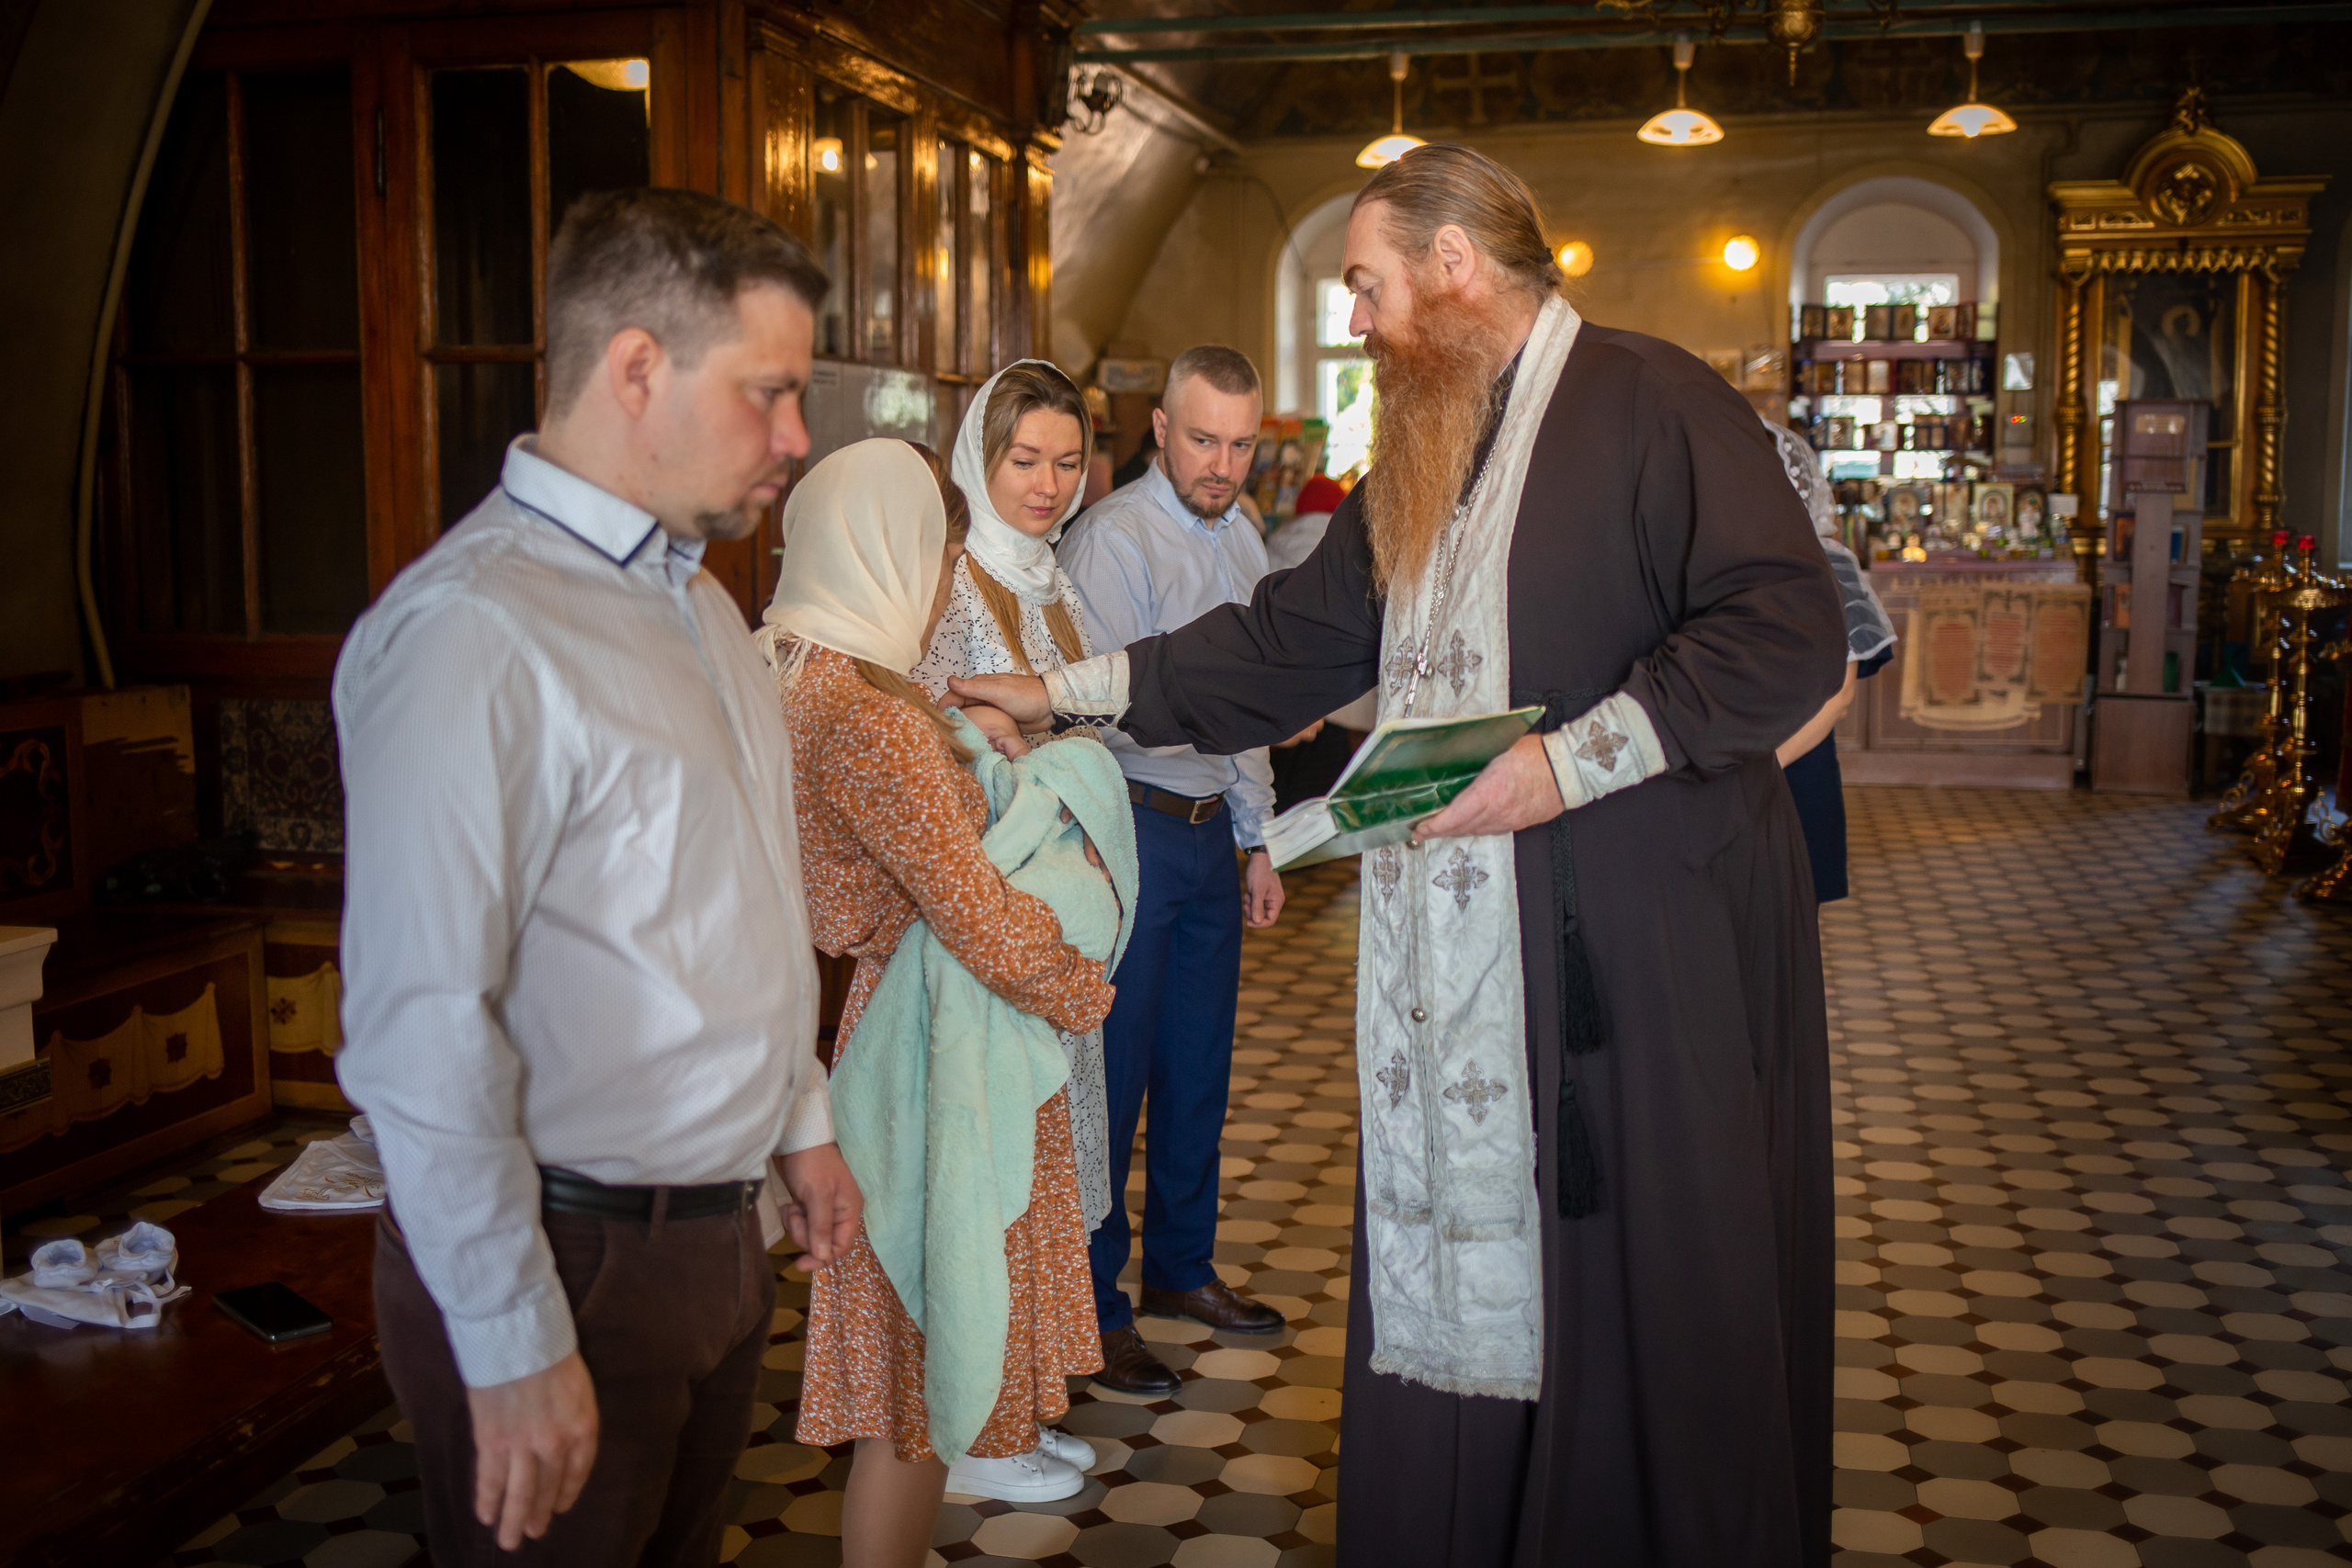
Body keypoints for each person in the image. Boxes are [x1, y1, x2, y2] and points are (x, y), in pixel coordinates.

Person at [954, 144, 1847, 1566]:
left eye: (1367, 285)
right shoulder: (1429, 446)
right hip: (1463, 939)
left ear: (1453, 262)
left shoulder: (1652, 400)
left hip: (1638, 943)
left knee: (1627, 1264)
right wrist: (1060, 693)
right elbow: (1284, 641)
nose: (1357, 319)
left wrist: (1562, 765)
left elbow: (1785, 631)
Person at [334, 187, 861, 1567]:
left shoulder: (700, 603)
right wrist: (510, 1337)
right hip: (564, 1255)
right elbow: (419, 1023)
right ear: (637, 368)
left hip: (716, 1236)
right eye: (769, 392)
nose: (795, 438)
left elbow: (748, 892)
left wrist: (800, 1119)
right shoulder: (474, 629)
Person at [763, 438, 1115, 1558]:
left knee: (915, 1385)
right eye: (931, 555)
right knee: (922, 1380)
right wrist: (1080, 986)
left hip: (907, 1016)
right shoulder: (862, 714)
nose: (937, 585)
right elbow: (972, 909)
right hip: (936, 1048)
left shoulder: (807, 675)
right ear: (883, 551)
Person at [1055, 344, 1289, 1395]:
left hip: (1207, 837)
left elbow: (1255, 710)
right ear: (1159, 429)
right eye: (1202, 440)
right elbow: (1100, 707)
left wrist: (1257, 836)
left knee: (1198, 1070)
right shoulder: (1113, 539)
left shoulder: (1245, 533)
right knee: (1114, 1077)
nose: (1221, 465)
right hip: (1131, 826)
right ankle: (1095, 1309)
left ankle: (1181, 1268)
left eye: (1240, 445)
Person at [910, 361, 1116, 1257]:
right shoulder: (952, 580)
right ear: (979, 456)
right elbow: (925, 732)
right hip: (989, 913)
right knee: (993, 1160)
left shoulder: (1051, 579)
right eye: (1025, 460)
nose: (1048, 486)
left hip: (1059, 902)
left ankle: (1045, 1333)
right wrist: (1008, 738)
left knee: (1051, 1153)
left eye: (1067, 463)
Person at [1762, 417, 1898, 903]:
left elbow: (1837, 697)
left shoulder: (1829, 564)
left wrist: (1760, 771)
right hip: (1728, 765)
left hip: (1793, 762)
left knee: (1791, 910)